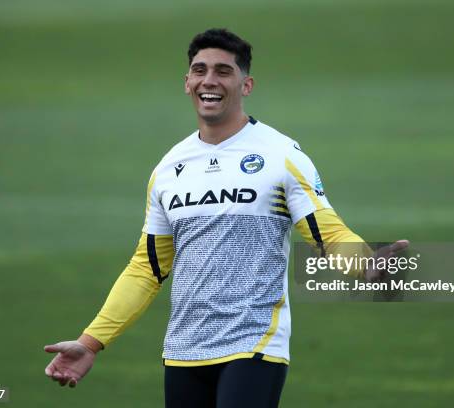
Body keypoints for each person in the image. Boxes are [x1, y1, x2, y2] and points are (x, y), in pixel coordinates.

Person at [44, 28, 408, 407]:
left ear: (246, 84)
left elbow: (326, 232)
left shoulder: (281, 155)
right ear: (187, 83)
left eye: (223, 71)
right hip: (183, 350)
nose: (209, 81)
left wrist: (361, 262)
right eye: (199, 70)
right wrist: (90, 343)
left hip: (253, 345)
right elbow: (146, 268)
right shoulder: (169, 168)